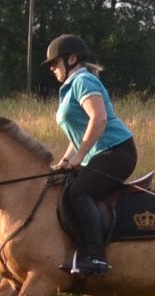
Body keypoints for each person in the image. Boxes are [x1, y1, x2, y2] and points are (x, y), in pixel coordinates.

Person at [44, 34, 137, 276]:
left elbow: (99, 119)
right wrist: (64, 162)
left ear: (72, 59)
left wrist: (78, 158)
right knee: (64, 186)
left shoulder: (84, 81)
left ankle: (97, 259)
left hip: (116, 152)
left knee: (79, 192)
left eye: (55, 62)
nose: (52, 68)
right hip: (99, 154)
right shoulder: (71, 86)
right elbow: (80, 133)